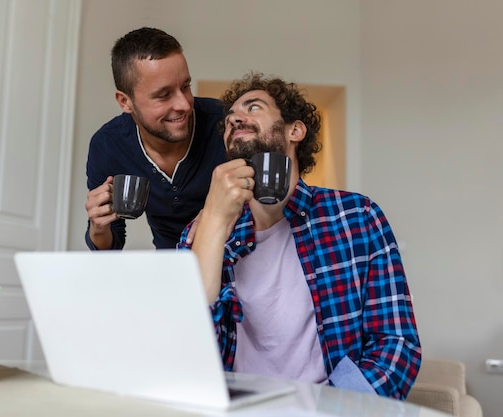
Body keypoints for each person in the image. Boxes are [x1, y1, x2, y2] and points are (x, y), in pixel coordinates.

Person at [178, 73, 421, 399]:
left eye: (253, 106)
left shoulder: (357, 217)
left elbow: (396, 344)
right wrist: (214, 221)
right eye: (229, 118)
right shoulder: (204, 231)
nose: (234, 118)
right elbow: (187, 353)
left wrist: (329, 408)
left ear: (295, 130)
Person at [85, 27, 226, 250]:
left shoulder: (227, 124)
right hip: (172, 265)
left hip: (241, 262)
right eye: (164, 95)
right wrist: (98, 227)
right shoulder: (108, 145)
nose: (184, 105)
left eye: (185, 87)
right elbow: (110, 248)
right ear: (125, 101)